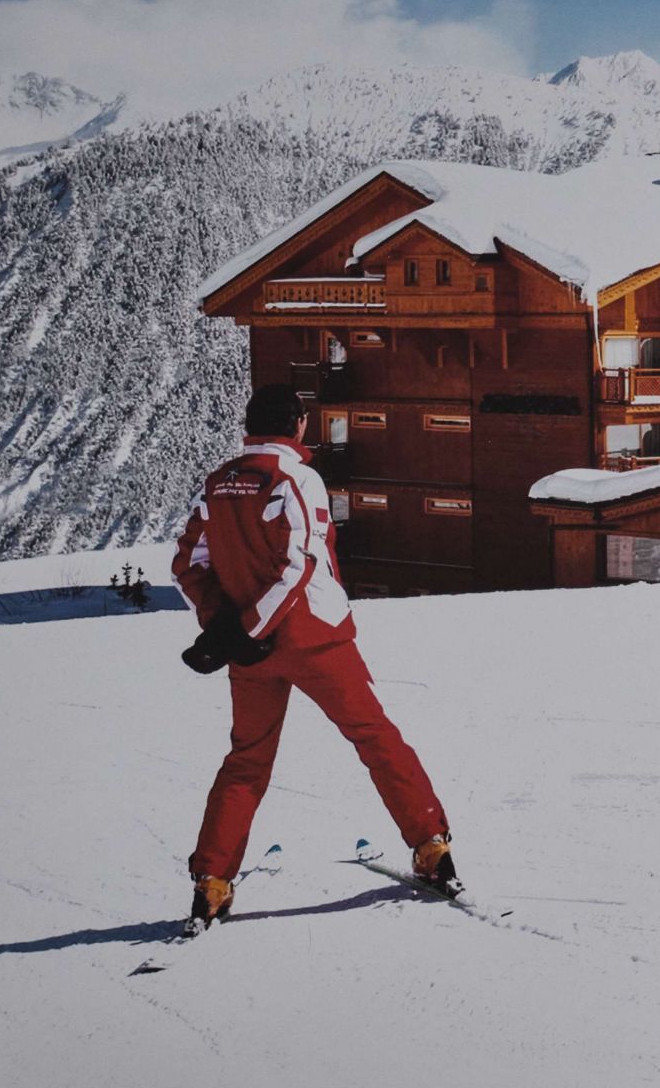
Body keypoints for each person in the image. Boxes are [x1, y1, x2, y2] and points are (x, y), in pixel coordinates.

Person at [173, 384, 456, 929]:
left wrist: (225, 625)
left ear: (250, 426)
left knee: (246, 761)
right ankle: (430, 846)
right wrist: (252, 625)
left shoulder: (218, 484)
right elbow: (298, 564)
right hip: (314, 638)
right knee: (375, 737)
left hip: (250, 653)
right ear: (298, 425)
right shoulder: (297, 479)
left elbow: (187, 561)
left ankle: (212, 883)